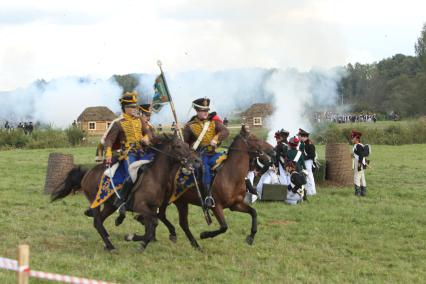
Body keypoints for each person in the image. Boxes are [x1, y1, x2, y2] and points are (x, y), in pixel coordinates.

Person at [102, 91, 153, 225]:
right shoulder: (118, 123)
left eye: (136, 106)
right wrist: (108, 153)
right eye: (132, 107)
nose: (135, 109)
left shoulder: (140, 120)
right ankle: (121, 201)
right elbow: (109, 140)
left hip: (141, 152)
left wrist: (147, 137)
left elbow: (148, 132)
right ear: (125, 107)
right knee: (132, 175)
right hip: (127, 153)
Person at [183, 97, 229, 208]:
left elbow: (225, 131)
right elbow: (184, 143)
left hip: (213, 153)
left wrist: (216, 138)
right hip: (199, 155)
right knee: (205, 169)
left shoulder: (213, 122)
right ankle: (208, 196)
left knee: (228, 161)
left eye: (207, 110)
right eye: (203, 111)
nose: (206, 113)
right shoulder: (190, 126)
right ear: (197, 111)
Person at [298, 128, 316, 196]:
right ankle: (307, 191)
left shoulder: (309, 144)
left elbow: (312, 155)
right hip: (305, 161)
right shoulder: (302, 144)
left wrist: (303, 158)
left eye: (299, 136)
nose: (298, 137)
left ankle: (312, 191)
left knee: (309, 176)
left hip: (308, 162)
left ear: (303, 136)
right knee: (305, 177)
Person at [351, 130, 369, 197]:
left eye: (353, 138)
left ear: (356, 138)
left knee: (357, 177)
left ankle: (357, 193)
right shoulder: (359, 145)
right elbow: (359, 154)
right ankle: (363, 193)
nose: (352, 139)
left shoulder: (358, 146)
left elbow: (361, 155)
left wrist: (359, 163)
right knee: (362, 177)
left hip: (359, 163)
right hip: (362, 163)